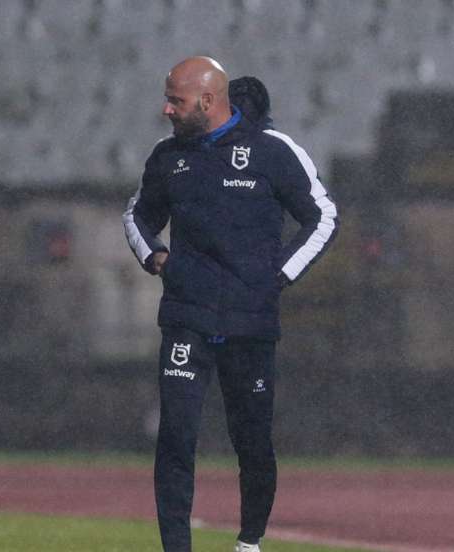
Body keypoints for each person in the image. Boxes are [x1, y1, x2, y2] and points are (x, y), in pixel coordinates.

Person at [122, 57, 338, 552]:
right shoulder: (166, 157)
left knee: (253, 444)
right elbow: (137, 214)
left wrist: (278, 276)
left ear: (206, 100)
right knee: (175, 438)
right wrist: (155, 257)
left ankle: (249, 543)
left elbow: (323, 217)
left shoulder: (273, 151)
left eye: (174, 100)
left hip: (251, 324)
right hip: (186, 319)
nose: (165, 110)